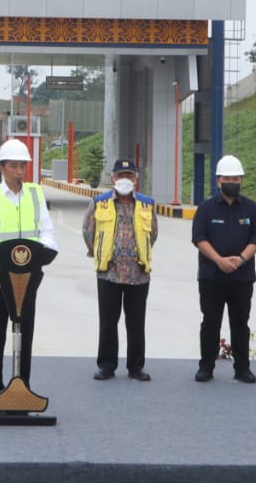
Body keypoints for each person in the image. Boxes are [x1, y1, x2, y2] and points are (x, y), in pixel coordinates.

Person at [0, 138, 58, 396]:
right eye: (13, 165)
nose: (19, 171)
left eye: (23, 165)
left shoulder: (35, 193)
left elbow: (47, 232)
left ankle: (23, 390)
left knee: (25, 336)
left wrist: (47, 249)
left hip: (27, 278)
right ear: (2, 167)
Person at [191, 154, 256, 384]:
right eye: (227, 178)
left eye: (236, 178)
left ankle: (242, 368)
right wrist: (219, 260)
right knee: (211, 321)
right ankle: (206, 367)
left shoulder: (251, 208)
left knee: (240, 323)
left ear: (242, 180)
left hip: (242, 277)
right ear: (218, 181)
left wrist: (241, 259)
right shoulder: (206, 208)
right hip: (211, 276)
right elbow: (199, 238)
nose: (232, 182)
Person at [83, 158, 158, 381]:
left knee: (136, 323)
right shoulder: (99, 202)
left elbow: (152, 234)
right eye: (121, 175)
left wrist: (138, 252)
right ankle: (107, 365)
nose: (125, 179)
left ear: (136, 178)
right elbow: (89, 232)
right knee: (108, 321)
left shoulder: (147, 204)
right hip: (109, 272)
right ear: (113, 178)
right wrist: (101, 253)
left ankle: (136, 367)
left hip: (138, 274)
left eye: (129, 175)